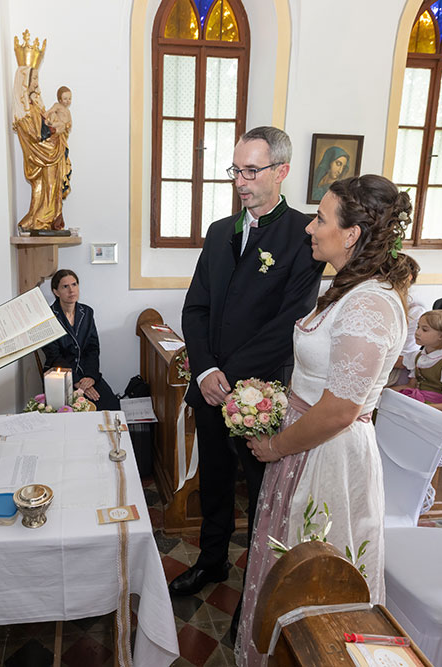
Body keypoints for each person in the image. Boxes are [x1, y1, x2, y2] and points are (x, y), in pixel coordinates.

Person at [236, 174, 417, 666]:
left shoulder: (371, 304)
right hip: (305, 445)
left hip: (326, 457)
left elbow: (340, 409)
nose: (310, 228)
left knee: (315, 584)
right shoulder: (348, 287)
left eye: (321, 218)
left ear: (352, 233)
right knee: (288, 574)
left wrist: (276, 446)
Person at [172, 127, 325, 610]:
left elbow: (289, 323)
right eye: (235, 169)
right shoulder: (220, 232)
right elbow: (196, 308)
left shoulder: (303, 235)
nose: (240, 180)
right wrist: (204, 372)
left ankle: (258, 586)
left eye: (251, 170)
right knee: (214, 481)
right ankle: (211, 559)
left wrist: (229, 376)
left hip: (261, 393)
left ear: (281, 171)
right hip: (211, 386)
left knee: (263, 493)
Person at [40, 268, 119, 410]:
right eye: (65, 286)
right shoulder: (47, 318)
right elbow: (54, 355)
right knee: (76, 412)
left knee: (111, 404)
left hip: (87, 372)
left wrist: (90, 377)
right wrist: (75, 381)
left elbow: (92, 348)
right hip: (60, 377)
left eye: (74, 284)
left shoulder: (87, 312)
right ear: (56, 292)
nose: (71, 290)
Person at [12, 66, 69, 231]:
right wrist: (55, 131)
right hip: (43, 152)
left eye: (37, 79)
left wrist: (55, 125)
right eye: (34, 79)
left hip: (50, 149)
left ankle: (41, 220)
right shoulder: (24, 111)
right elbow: (34, 134)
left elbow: (45, 122)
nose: (37, 84)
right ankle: (42, 221)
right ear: (25, 82)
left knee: (48, 186)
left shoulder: (34, 105)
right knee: (48, 185)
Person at [395, 309, 442, 417]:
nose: (417, 332)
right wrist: (384, 391)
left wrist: (423, 407)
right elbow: (411, 386)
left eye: (424, 330)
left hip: (436, 413)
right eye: (418, 327)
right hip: (417, 403)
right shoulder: (418, 356)